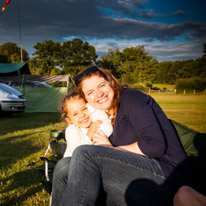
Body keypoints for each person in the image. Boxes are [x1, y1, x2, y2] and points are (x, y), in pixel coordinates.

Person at [55, 65, 195, 206]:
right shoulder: (104, 116)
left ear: (111, 82)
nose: (98, 94)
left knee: (85, 153)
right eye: (90, 92)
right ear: (86, 99)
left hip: (168, 176)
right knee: (64, 165)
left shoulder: (131, 98)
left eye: (102, 85)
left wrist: (109, 149)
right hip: (135, 174)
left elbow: (155, 145)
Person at [51, 91, 113, 205]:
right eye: (75, 114)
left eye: (84, 109)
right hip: (72, 173)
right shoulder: (72, 130)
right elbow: (77, 151)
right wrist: (89, 135)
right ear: (69, 120)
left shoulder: (97, 123)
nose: (82, 115)